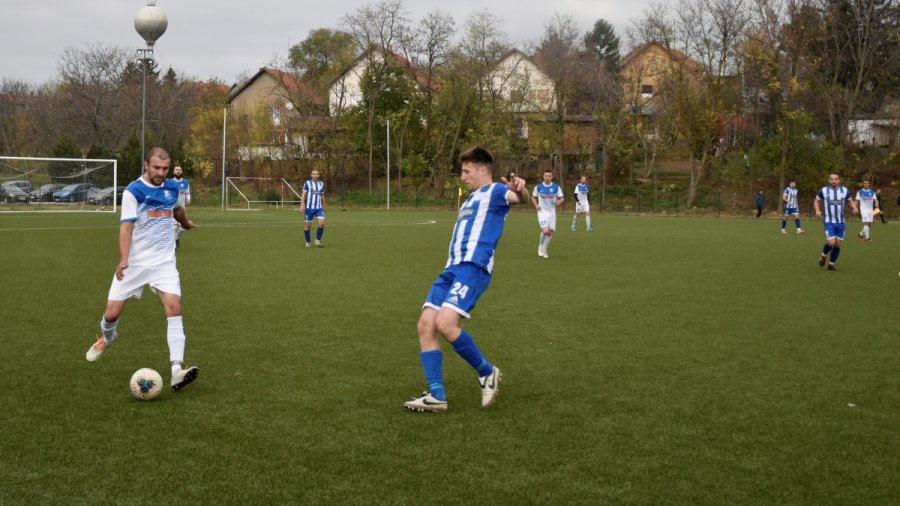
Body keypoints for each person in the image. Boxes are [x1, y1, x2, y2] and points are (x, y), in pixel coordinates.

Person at [404, 146, 529, 413]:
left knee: (446, 323)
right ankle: (436, 395)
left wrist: (520, 188)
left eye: (466, 171)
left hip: (473, 268)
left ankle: (487, 372)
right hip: (450, 269)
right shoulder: (470, 200)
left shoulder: (495, 191)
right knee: (426, 324)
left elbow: (518, 198)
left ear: (482, 170)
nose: (462, 176)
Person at [86, 147, 199, 391]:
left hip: (164, 263)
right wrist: (123, 259)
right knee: (111, 314)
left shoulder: (171, 188)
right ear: (146, 165)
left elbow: (177, 209)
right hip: (135, 264)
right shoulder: (133, 191)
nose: (160, 173)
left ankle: (176, 370)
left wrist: (186, 223)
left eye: (164, 169)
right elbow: (126, 228)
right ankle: (107, 338)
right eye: (156, 168)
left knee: (174, 307)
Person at [814, 173, 858, 271]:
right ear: (829, 180)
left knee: (838, 244)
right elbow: (816, 201)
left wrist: (854, 207)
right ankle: (823, 255)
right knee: (831, 243)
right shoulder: (824, 190)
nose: (833, 181)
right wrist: (817, 210)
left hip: (841, 222)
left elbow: (850, 201)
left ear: (839, 180)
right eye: (831, 179)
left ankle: (831, 264)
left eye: (835, 179)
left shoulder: (844, 191)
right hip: (829, 221)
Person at [532, 169, 564, 258]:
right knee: (545, 230)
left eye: (549, 176)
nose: (547, 177)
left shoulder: (556, 187)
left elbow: (562, 198)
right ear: (543, 176)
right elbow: (533, 198)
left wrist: (559, 202)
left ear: (552, 177)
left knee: (550, 233)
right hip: (542, 211)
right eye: (546, 176)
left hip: (552, 212)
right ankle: (540, 247)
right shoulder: (538, 187)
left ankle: (544, 250)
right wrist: (536, 205)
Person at [299, 169, 326, 248]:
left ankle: (317, 241)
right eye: (313, 174)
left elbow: (322, 195)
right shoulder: (307, 183)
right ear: (311, 175)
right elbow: (303, 194)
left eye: (316, 174)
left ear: (319, 175)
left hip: (318, 208)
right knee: (308, 226)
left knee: (321, 223)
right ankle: (308, 242)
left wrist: (324, 205)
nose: (315, 175)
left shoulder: (321, 184)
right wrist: (302, 204)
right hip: (309, 208)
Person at [171, 165, 191, 248]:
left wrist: (188, 199)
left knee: (185, 227)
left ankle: (176, 238)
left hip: (181, 208)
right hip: (171, 208)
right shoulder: (170, 182)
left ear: (182, 172)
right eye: (176, 170)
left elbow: (187, 193)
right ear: (174, 172)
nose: (178, 171)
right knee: (174, 228)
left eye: (179, 169)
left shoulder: (186, 182)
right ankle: (173, 244)